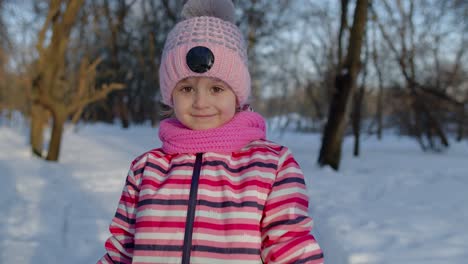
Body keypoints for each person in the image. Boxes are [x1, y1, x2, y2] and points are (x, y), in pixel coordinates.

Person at [97, 0, 323, 263]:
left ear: (237, 96)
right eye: (186, 89)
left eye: (216, 89)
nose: (200, 102)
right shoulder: (146, 169)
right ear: (170, 95)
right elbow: (121, 250)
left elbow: (291, 248)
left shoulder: (271, 166)